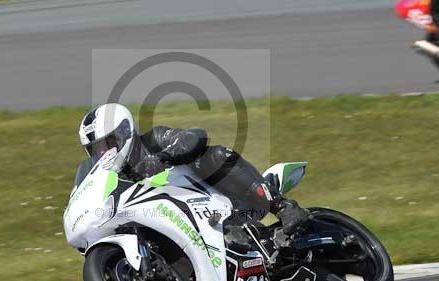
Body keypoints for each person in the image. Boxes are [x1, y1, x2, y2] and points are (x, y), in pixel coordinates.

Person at [77, 103, 310, 241]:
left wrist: (162, 158)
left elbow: (195, 136)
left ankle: (283, 206)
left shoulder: (154, 140)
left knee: (213, 156)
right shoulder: (113, 176)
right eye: (95, 150)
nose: (103, 153)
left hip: (221, 202)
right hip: (177, 222)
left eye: (108, 144)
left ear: (125, 132)